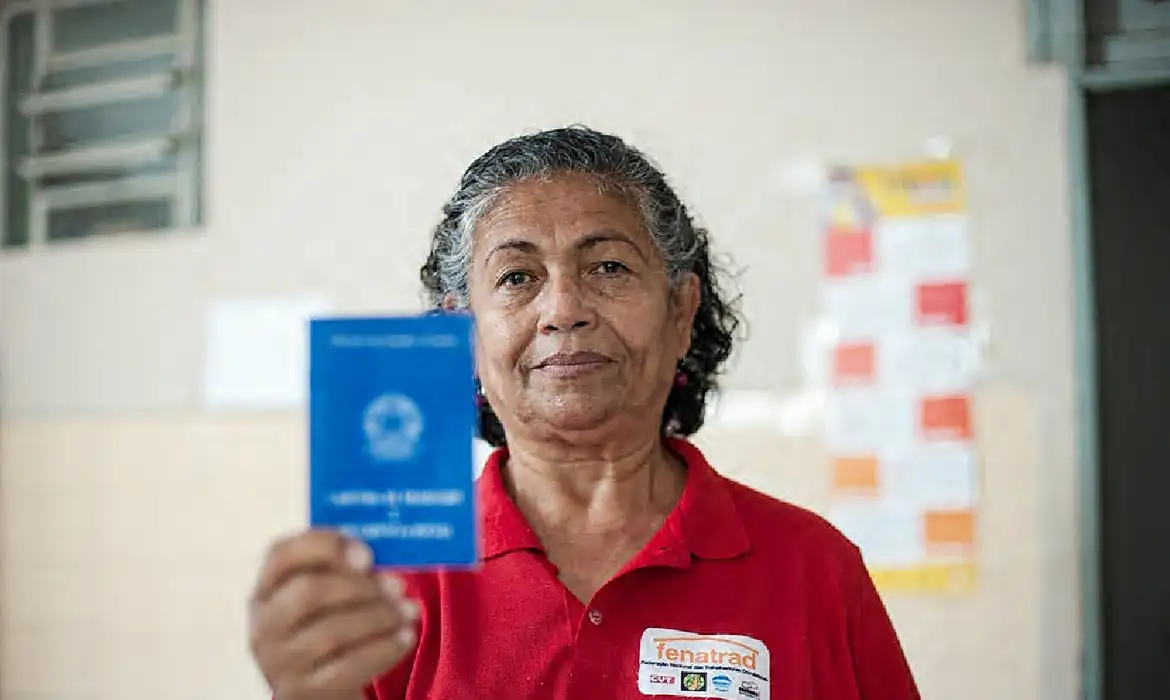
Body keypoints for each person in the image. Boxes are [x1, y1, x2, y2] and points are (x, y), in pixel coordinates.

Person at [248, 126, 921, 699]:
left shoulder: (814, 568)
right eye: (517, 277)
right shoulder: (385, 589)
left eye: (608, 268)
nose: (563, 309)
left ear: (680, 312)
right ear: (462, 337)